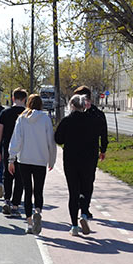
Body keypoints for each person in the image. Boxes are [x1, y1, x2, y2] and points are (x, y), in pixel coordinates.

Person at [7, 93, 56, 235]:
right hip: (40, 160)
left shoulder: (22, 119)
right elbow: (50, 142)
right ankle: (38, 210)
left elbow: (16, 140)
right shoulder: (45, 119)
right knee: (38, 190)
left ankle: (29, 223)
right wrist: (51, 159)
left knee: (27, 191)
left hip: (25, 160)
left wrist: (11, 158)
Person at [54, 94, 102, 236]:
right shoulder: (94, 120)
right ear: (84, 106)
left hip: (71, 161)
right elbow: (99, 135)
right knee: (86, 189)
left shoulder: (67, 121)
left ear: (72, 106)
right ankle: (84, 215)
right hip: (88, 161)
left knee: (73, 192)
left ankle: (74, 226)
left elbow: (58, 139)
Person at [71, 85, 108, 220]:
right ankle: (85, 209)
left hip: (74, 154)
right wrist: (103, 149)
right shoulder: (98, 114)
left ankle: (81, 206)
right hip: (91, 153)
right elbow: (104, 134)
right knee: (88, 180)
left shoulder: (76, 114)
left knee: (77, 181)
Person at [0, 89, 26, 217]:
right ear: (25, 99)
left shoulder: (4, 113)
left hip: (7, 148)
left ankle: (7, 199)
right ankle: (15, 204)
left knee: (7, 174)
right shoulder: (26, 114)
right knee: (20, 178)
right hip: (23, 149)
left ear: (13, 98)